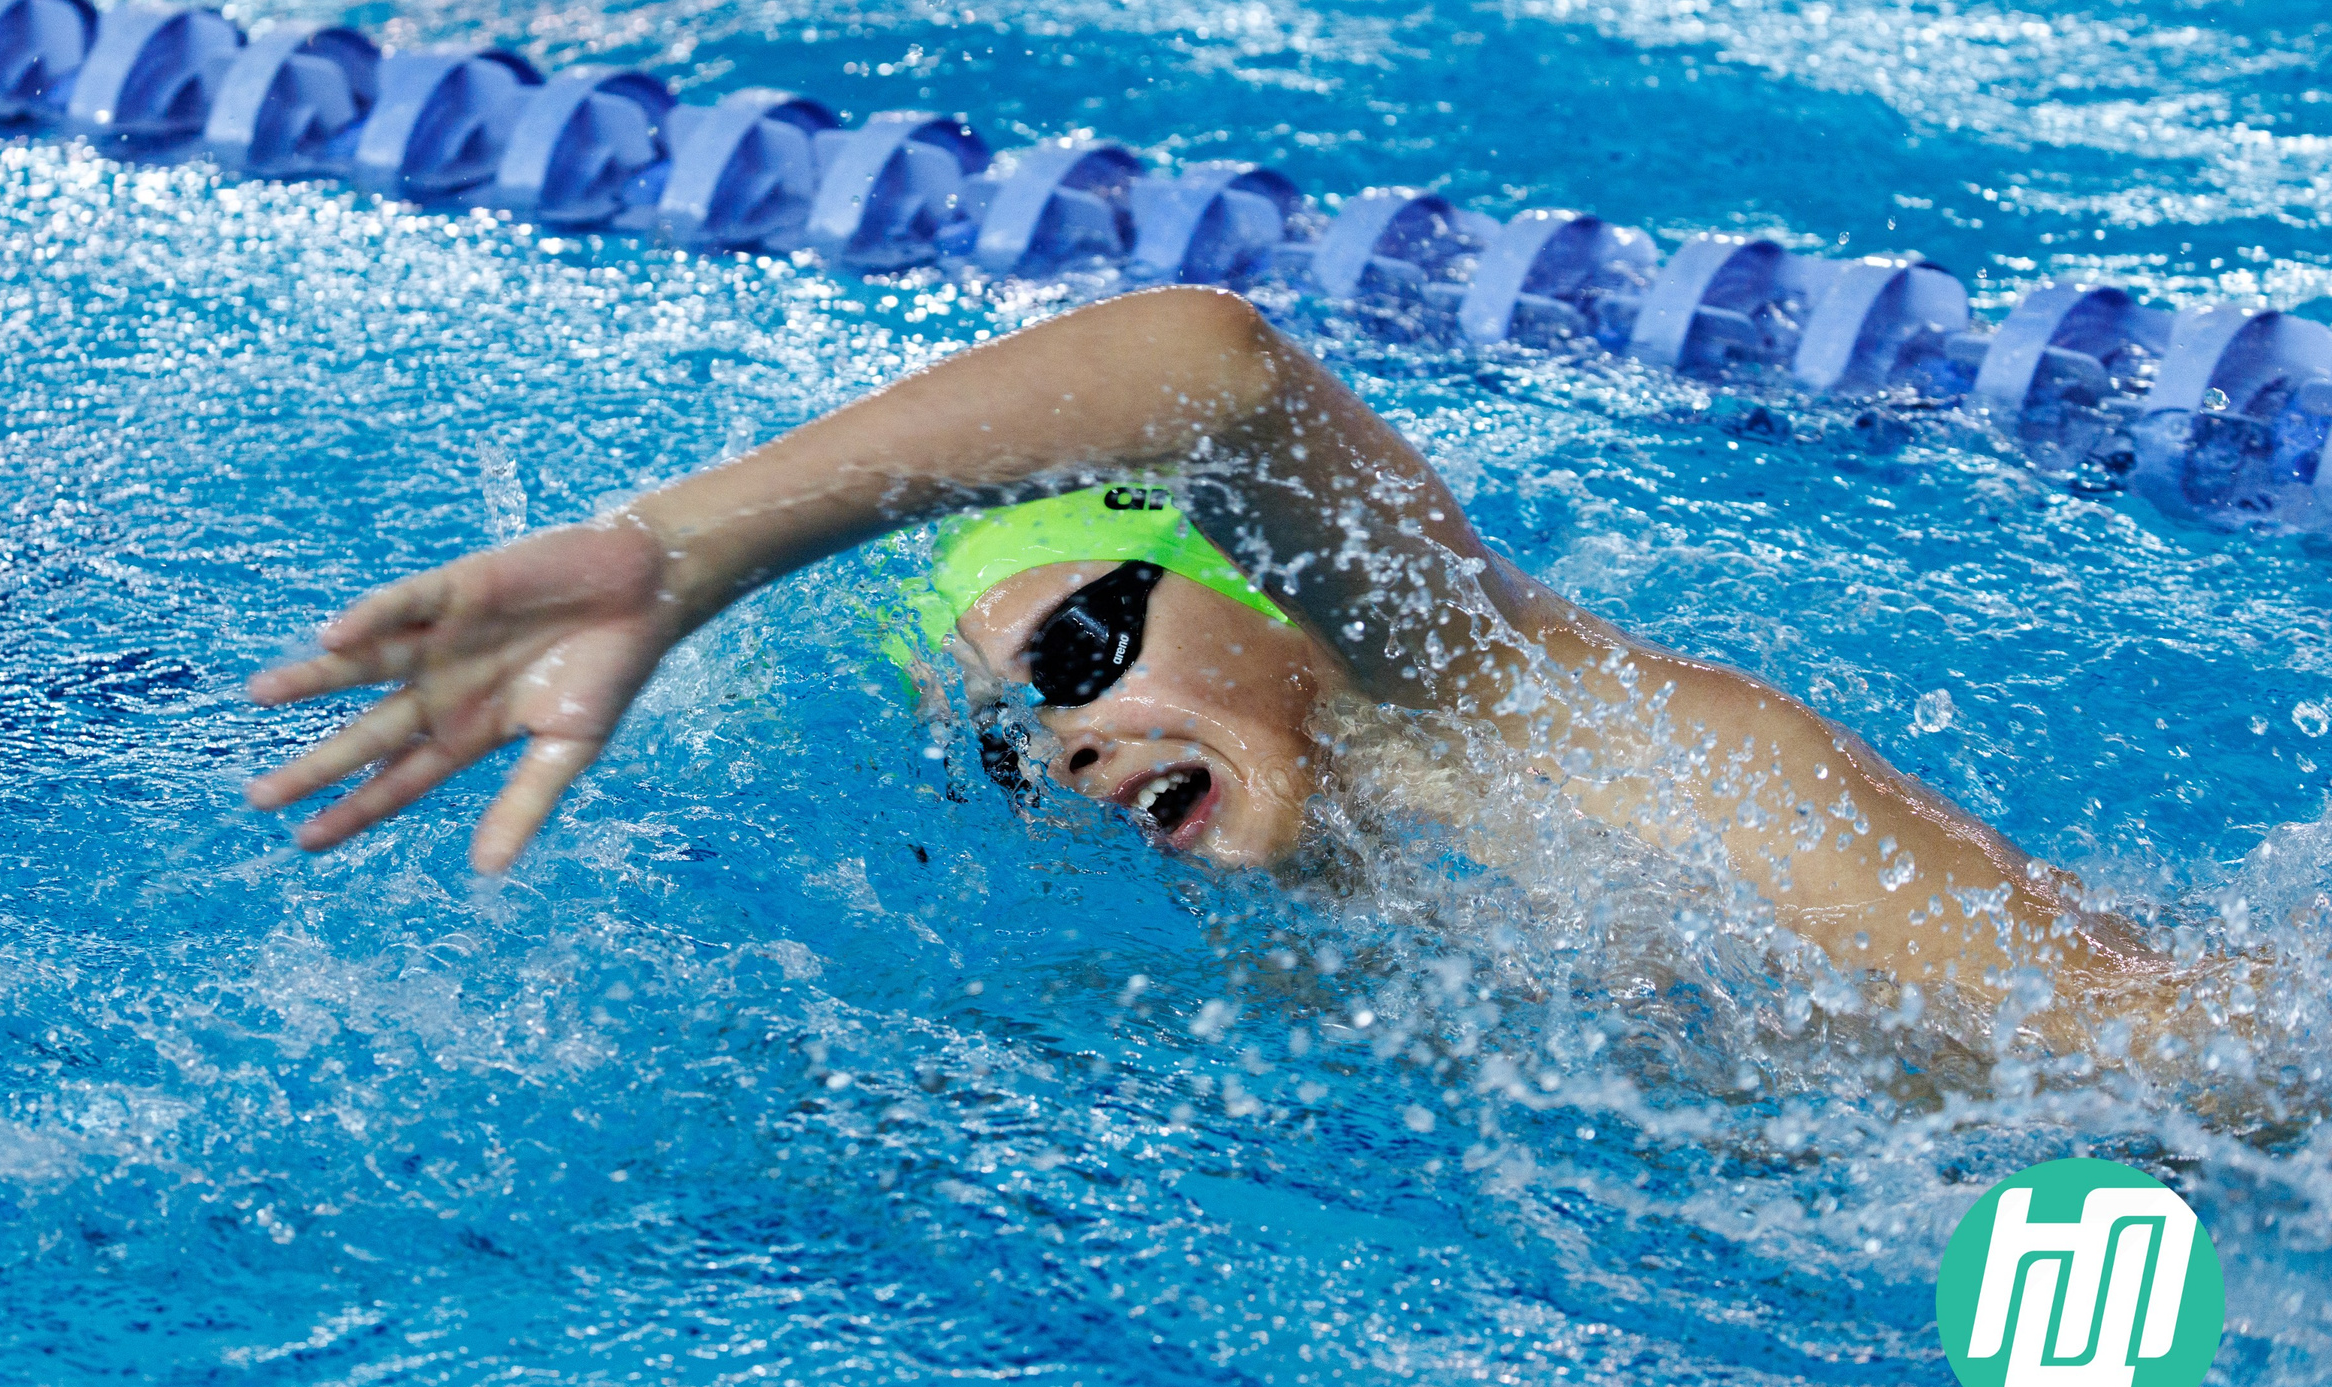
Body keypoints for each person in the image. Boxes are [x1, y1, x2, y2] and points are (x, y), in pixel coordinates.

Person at [245, 285, 2163, 1046]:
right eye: (1016, 741)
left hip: (2184, 1101)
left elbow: (1210, 368)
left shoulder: (1481, 696)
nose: (1069, 738)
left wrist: (687, 552)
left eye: (1080, 646)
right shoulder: (1312, 907)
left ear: (1261, 586)